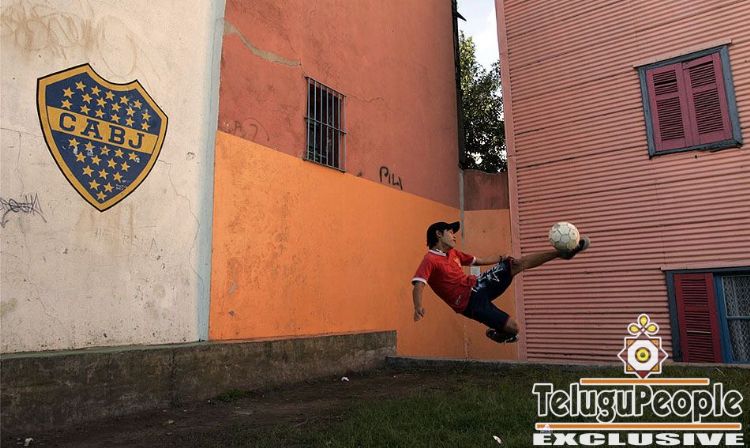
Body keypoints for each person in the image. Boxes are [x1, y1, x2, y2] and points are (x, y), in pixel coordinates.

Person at [411, 221, 590, 343]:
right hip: (470, 303)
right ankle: (499, 334)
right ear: (438, 234)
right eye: (450, 232)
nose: (453, 235)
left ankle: (562, 253)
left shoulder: (453, 253)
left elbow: (479, 261)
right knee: (514, 328)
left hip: (478, 284)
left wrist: (500, 258)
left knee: (514, 264)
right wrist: (418, 306)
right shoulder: (430, 260)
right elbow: (419, 284)